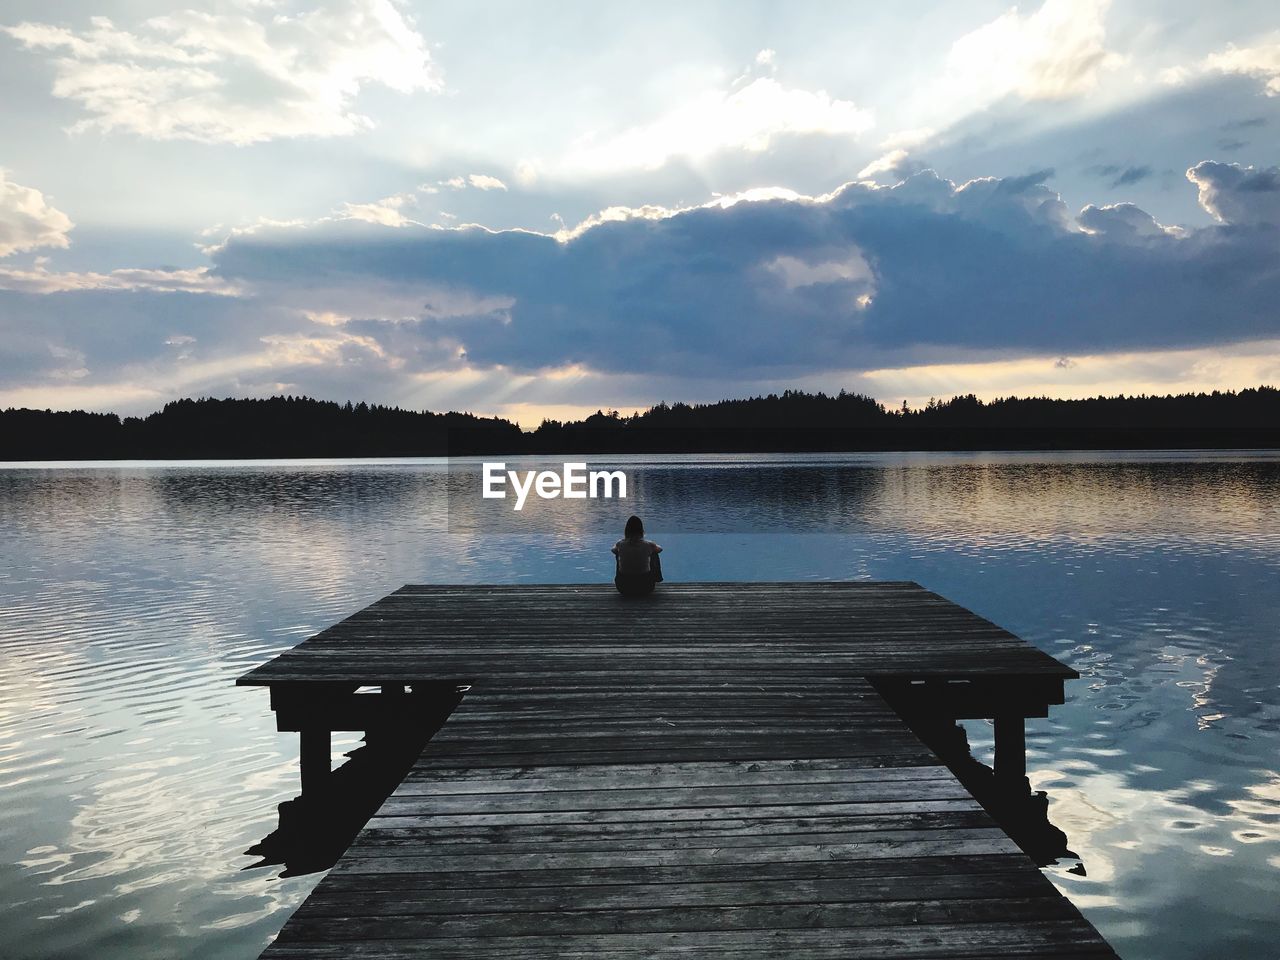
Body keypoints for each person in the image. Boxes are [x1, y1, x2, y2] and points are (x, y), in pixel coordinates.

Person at [612, 515, 663, 597]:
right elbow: (660, 549)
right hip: (646, 587)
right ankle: (657, 578)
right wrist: (652, 545)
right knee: (654, 553)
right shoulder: (648, 544)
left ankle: (621, 576)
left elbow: (613, 550)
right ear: (641, 530)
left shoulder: (620, 544)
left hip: (623, 588)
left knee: (618, 553)